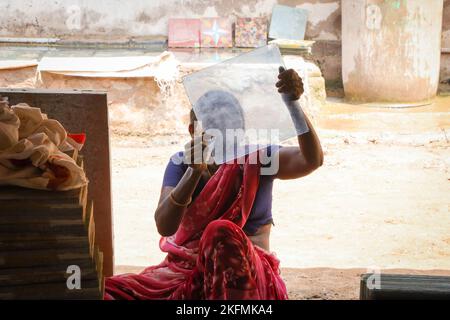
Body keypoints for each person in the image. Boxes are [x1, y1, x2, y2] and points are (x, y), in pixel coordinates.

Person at [104, 67, 323, 300]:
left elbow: (311, 160)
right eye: (213, 127)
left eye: (230, 127)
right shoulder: (181, 163)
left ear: (241, 131)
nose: (223, 135)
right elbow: (164, 226)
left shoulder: (257, 159)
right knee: (105, 291)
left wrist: (292, 104)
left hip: (248, 279)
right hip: (187, 274)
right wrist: (193, 173)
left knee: (220, 231)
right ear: (192, 131)